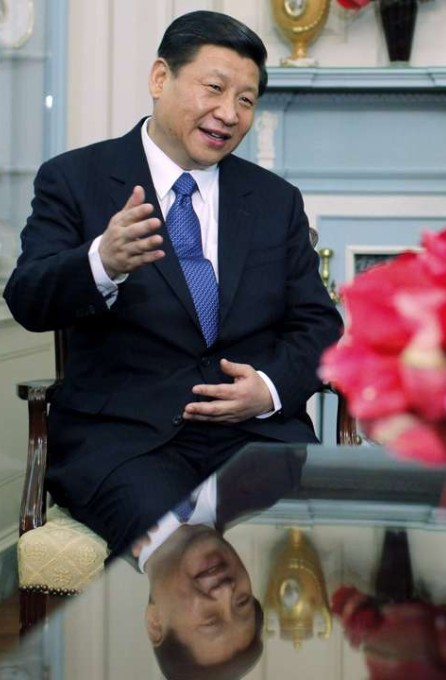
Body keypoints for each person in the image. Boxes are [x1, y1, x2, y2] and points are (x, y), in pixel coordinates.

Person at [2, 11, 341, 557]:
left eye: (247, 100)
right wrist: (101, 262)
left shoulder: (275, 201)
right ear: (161, 78)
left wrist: (268, 390)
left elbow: (319, 324)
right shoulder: (75, 179)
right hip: (125, 446)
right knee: (180, 555)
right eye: (215, 88)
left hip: (258, 440)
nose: (228, 114)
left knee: (310, 547)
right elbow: (28, 298)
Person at [132, 444, 307, 679]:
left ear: (155, 623)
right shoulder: (275, 473)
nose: (225, 591)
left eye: (210, 620)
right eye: (242, 602)